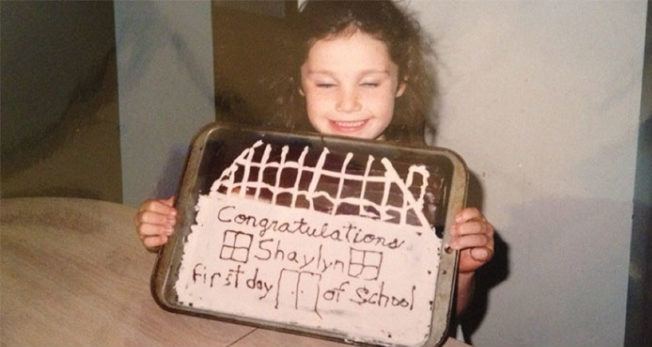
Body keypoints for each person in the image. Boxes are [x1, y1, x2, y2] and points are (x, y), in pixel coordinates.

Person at [135, 0, 494, 316]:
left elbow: (444, 315)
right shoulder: (261, 164)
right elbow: (220, 265)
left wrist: (462, 272)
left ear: (401, 82)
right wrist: (170, 229)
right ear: (300, 82)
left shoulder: (429, 185)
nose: (347, 103)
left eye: (369, 83)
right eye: (326, 83)